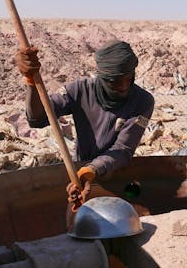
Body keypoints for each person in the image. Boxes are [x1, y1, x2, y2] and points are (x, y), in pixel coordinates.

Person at [16, 39, 154, 205]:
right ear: (102, 76)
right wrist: (31, 81)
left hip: (114, 173)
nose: (124, 86)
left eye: (129, 78)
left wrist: (92, 169)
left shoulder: (143, 101)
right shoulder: (79, 91)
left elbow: (123, 149)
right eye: (114, 81)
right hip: (78, 172)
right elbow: (37, 119)